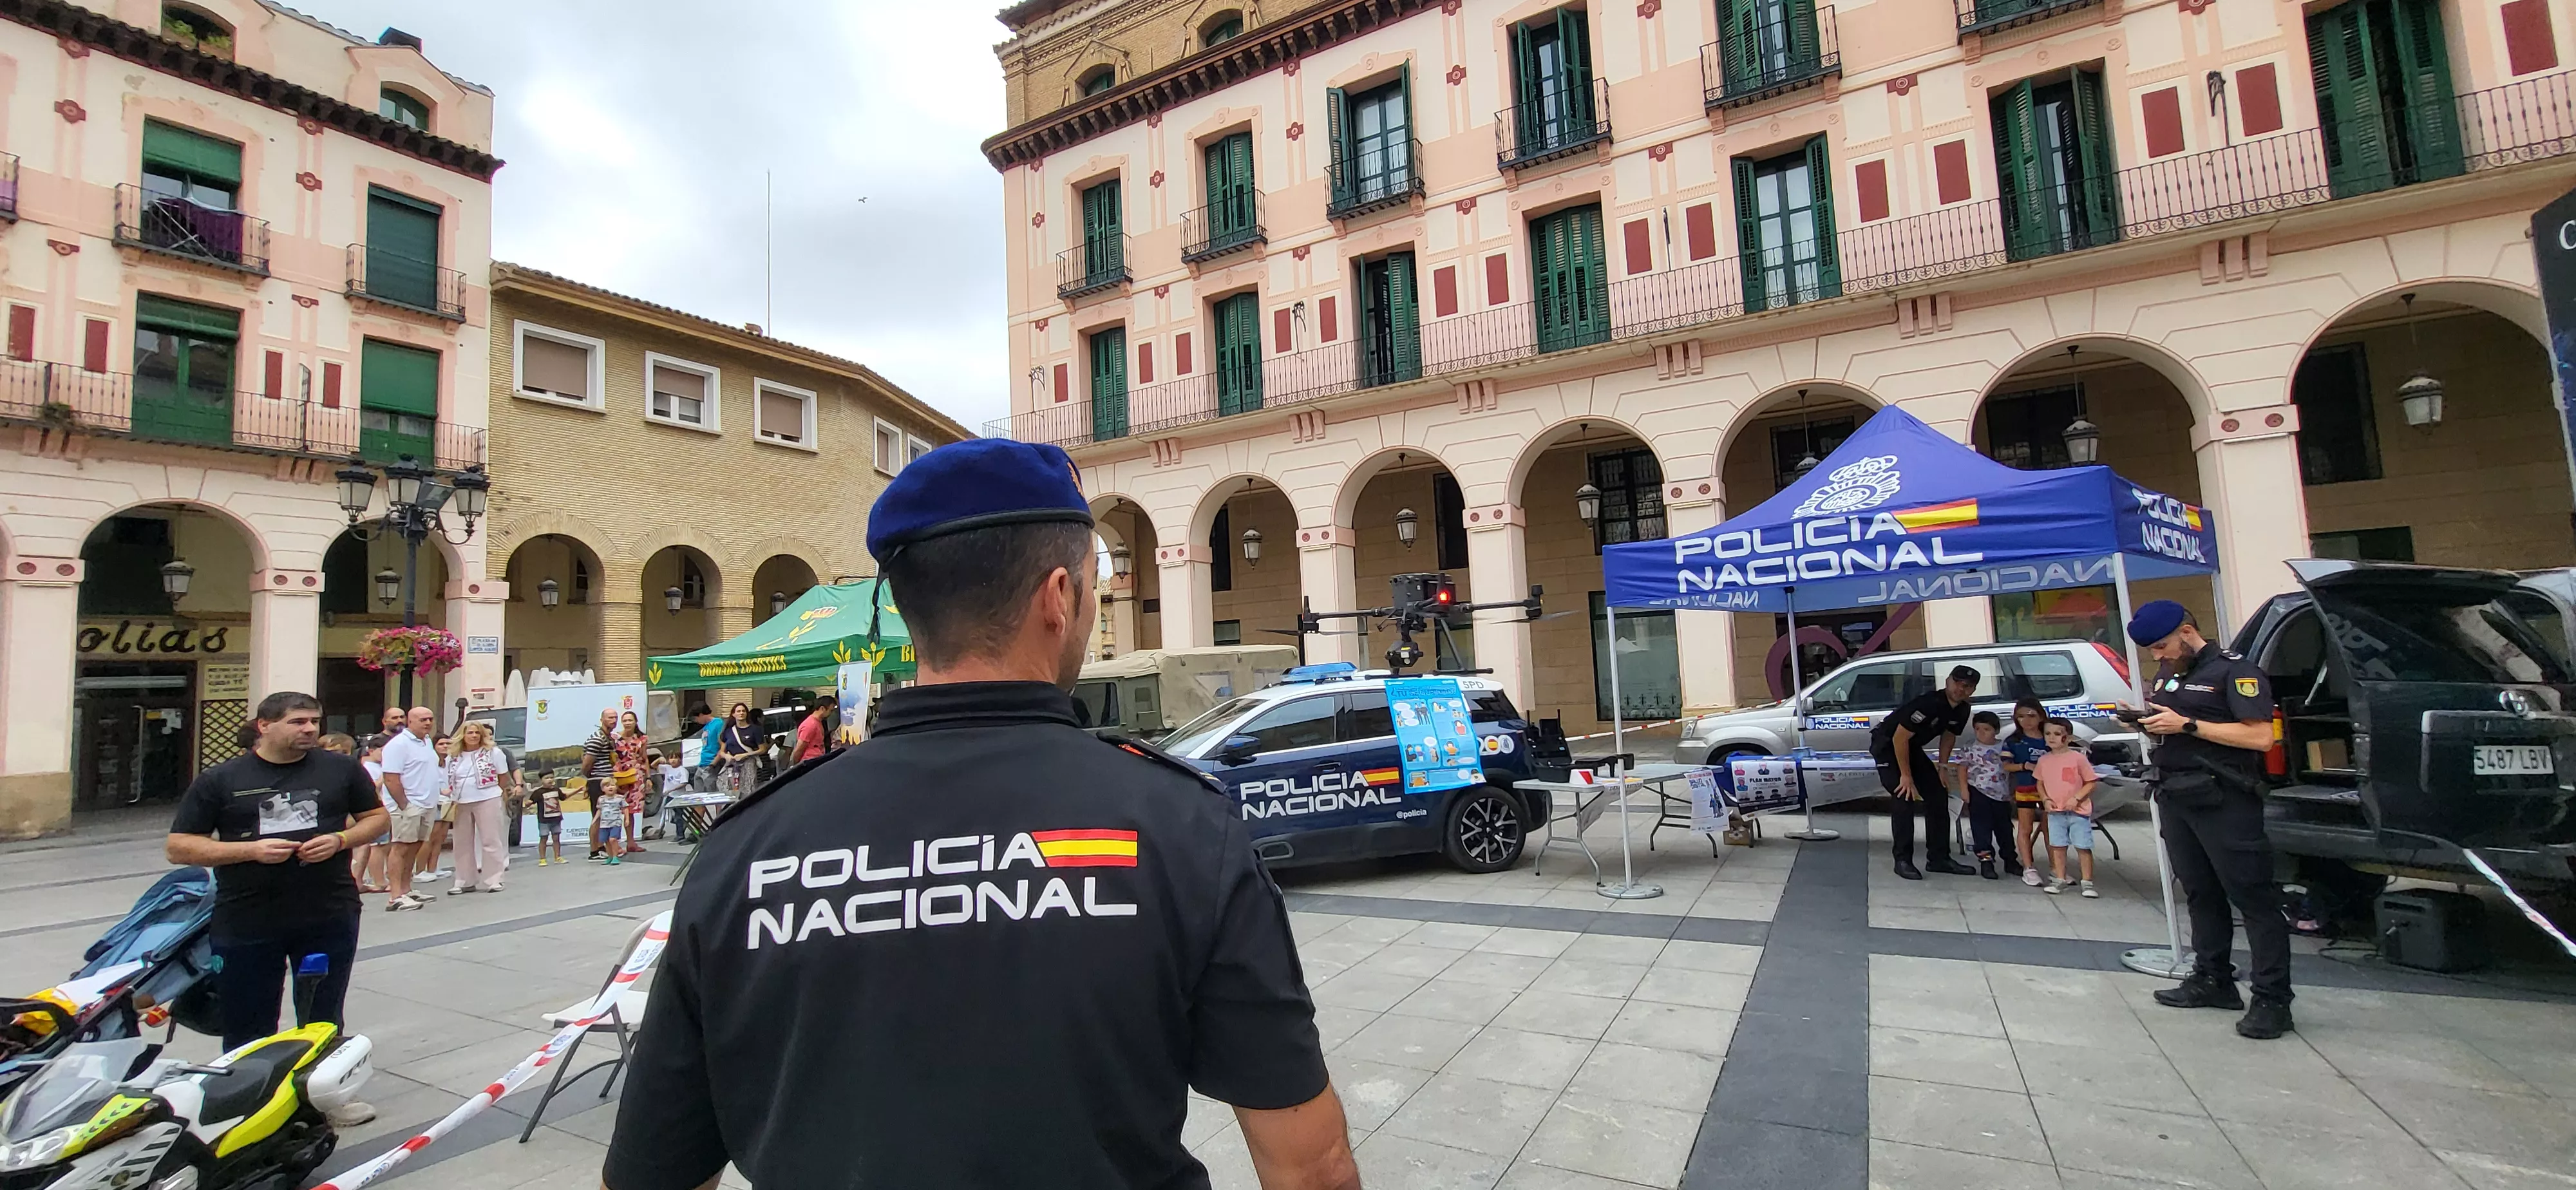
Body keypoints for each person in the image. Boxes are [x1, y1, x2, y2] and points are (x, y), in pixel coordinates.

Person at [602, 439, 1354, 1190]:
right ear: (1058, 597)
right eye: (1094, 588)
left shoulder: (747, 847)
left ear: (906, 606)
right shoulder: (1180, 825)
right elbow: (1308, 1165)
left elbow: (653, 1173)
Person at [165, 691, 384, 1128]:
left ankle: (323, 1096)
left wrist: (341, 840)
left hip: (328, 910)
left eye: (314, 722)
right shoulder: (221, 779)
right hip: (247, 916)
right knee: (248, 1017)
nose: (309, 729)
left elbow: (377, 818)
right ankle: (248, 1105)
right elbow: (179, 847)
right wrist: (249, 851)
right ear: (264, 726)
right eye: (298, 722)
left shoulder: (340, 769)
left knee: (323, 1013)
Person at [2126, 599, 2293, 1039]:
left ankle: (2273, 999)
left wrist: (2187, 727)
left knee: (2254, 898)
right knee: (2200, 893)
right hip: (2178, 795)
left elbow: (2260, 736)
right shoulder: (2171, 671)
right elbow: (2175, 721)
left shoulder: (2236, 671)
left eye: (2161, 646)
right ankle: (2213, 978)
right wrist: (2147, 722)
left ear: (2186, 630)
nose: (2157, 657)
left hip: (2226, 799)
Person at [1871, 665, 1982, 880]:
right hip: (1888, 746)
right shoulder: (1929, 703)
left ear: (1972, 690)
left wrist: (1942, 767)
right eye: (1957, 682)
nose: (1961, 689)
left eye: (1967, 686)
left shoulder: (1962, 709)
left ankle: (1939, 858)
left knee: (1938, 797)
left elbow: (1949, 735)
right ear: (1948, 681)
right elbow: (1899, 738)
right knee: (1904, 796)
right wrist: (1906, 775)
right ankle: (1903, 860)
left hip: (1912, 749)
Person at [378, 706, 442, 911]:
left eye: (430, 719)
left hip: (427, 803)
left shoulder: (427, 742)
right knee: (401, 847)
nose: (428, 723)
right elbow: (390, 778)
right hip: (406, 805)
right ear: (410, 722)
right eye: (423, 719)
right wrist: (404, 805)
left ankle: (406, 889)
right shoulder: (398, 745)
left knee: (416, 846)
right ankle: (395, 895)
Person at [444, 721, 518, 894]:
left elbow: (503, 776)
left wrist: (495, 792)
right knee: (462, 842)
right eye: (470, 733)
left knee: (490, 839)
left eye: (477, 733)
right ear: (463, 735)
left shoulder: (494, 753)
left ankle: (494, 879)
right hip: (460, 801)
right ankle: (464, 880)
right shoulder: (453, 756)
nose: (474, 736)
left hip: (488, 798)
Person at [2034, 717, 2098, 897]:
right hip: (2055, 811)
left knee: (2083, 846)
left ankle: (2087, 882)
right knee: (2058, 846)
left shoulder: (2078, 759)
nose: (2051, 738)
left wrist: (2077, 798)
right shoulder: (2044, 760)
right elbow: (2040, 783)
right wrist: (2045, 799)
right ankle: (2060, 878)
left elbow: (2091, 782)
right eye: (2048, 734)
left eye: (2057, 734)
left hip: (2078, 811)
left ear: (2068, 738)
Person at [1953, 712, 2012, 880]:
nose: (1981, 732)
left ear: (1996, 730)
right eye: (1977, 729)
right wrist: (1964, 789)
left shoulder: (2004, 747)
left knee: (2005, 829)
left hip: (2001, 795)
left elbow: (2011, 769)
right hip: (1978, 792)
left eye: (1986, 729)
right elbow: (1962, 768)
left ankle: (2010, 859)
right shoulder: (1970, 747)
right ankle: (1986, 862)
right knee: (1981, 830)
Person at [2000, 699, 2050, 886]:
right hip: (2026, 787)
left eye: (2031, 716)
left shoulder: (2049, 736)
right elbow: (2006, 766)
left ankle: (2057, 868)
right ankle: (2029, 868)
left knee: (2050, 829)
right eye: (2020, 716)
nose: (2026, 721)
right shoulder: (2014, 741)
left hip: (2052, 790)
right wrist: (2023, 766)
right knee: (2025, 828)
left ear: (2041, 716)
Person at [416, 733, 455, 883]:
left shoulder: (450, 761)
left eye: (448, 744)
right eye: (441, 744)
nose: (445, 747)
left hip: (449, 801)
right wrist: (440, 791)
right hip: (436, 801)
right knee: (430, 838)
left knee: (440, 838)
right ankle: (420, 871)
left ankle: (433, 868)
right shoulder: (430, 761)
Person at [582, 709, 618, 860]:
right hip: (598, 781)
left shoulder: (608, 737)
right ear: (602, 719)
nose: (614, 720)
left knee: (607, 815)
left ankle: (603, 847)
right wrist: (592, 779)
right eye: (610, 718)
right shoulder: (597, 738)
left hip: (607, 780)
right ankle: (594, 850)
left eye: (616, 718)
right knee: (598, 816)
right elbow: (587, 764)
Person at [616, 710, 652, 852]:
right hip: (619, 775)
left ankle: (631, 842)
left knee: (630, 810)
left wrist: (648, 777)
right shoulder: (615, 738)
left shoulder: (642, 739)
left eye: (630, 720)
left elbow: (644, 758)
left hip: (636, 775)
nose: (628, 723)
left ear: (636, 722)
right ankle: (615, 842)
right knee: (615, 809)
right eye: (625, 720)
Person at [715, 703, 766, 797]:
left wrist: (745, 755)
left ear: (747, 714)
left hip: (749, 763)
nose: (741, 713)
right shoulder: (728, 731)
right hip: (732, 764)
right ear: (734, 714)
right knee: (727, 787)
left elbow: (763, 749)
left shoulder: (755, 729)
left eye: (743, 711)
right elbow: (722, 751)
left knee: (748, 789)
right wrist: (727, 756)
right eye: (738, 711)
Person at [789, 695, 835, 766]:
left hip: (816, 762)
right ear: (822, 708)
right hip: (809, 763)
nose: (831, 714)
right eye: (830, 711)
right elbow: (800, 749)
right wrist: (796, 766)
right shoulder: (810, 724)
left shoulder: (818, 723)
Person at [534, 776, 566, 866]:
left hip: (556, 818)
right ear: (541, 780)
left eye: (552, 777)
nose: (550, 780)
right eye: (547, 778)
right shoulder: (538, 792)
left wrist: (578, 790)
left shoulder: (557, 790)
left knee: (556, 839)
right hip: (544, 820)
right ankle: (543, 859)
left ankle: (557, 857)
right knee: (544, 839)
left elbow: (564, 797)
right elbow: (530, 801)